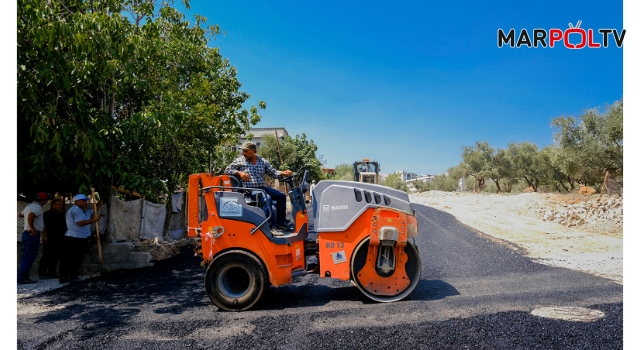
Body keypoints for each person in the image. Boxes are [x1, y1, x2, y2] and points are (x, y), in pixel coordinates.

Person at [225, 141, 293, 231]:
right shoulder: (240, 160)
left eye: (245, 151)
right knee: (267, 198)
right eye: (243, 151)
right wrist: (239, 173)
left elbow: (273, 172)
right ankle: (270, 226)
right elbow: (227, 169)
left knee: (281, 196)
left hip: (262, 188)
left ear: (253, 151)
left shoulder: (263, 162)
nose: (243, 153)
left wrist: (283, 173)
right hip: (249, 190)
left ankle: (281, 222)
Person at [59, 194, 102, 284]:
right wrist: (93, 220)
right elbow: (80, 223)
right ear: (77, 201)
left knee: (77, 258)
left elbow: (96, 207)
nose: (85, 203)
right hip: (74, 237)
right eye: (83, 201)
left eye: (85, 201)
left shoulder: (83, 211)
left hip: (81, 237)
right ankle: (66, 276)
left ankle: (71, 275)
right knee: (71, 258)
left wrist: (104, 198)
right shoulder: (75, 210)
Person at [17, 192, 48, 284]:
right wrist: (32, 227)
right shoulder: (37, 207)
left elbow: (20, 215)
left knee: (25, 256)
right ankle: (21, 278)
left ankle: (24, 276)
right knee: (29, 257)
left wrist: (27, 217)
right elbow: (31, 216)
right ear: (44, 200)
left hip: (26, 234)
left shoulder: (29, 206)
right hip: (32, 234)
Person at [38, 198, 67, 279]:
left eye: (62, 205)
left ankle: (52, 272)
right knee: (47, 256)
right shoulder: (47, 214)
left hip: (60, 238)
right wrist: (44, 236)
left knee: (56, 256)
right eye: (59, 204)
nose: (61, 206)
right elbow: (44, 226)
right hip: (50, 238)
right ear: (53, 205)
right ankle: (42, 273)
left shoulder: (62, 214)